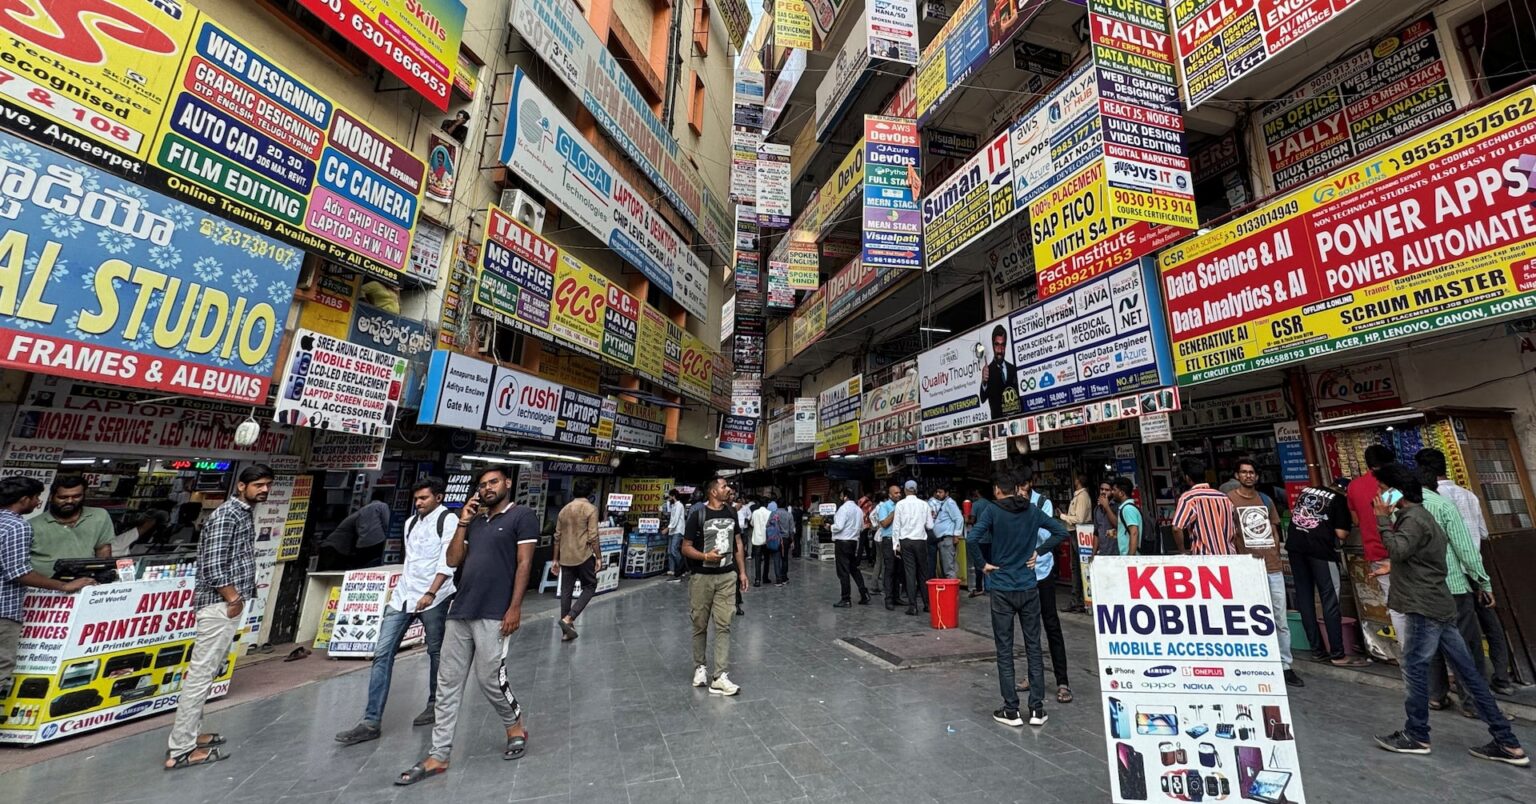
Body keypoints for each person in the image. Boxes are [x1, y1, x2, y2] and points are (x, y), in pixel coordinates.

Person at [1369, 463, 1528, 767]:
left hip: (1424, 606)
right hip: (1437, 604)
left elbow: (1399, 549)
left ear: (1396, 492)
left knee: (1415, 669)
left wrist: (1380, 521)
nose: (1378, 495)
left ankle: (1416, 734)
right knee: (1468, 671)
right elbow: (1416, 557)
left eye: (1381, 488)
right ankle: (1507, 741)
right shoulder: (1419, 516)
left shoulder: (1413, 519)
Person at [396, 466, 536, 786]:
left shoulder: (521, 516)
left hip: (495, 611)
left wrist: (514, 608)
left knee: (489, 678)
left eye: (493, 482)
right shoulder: (474, 523)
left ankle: (514, 724)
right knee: (447, 684)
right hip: (461, 610)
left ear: (507, 483)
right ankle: (439, 754)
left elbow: (525, 563)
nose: (488, 488)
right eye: (483, 485)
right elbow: (454, 559)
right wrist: (463, 522)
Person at [164, 465, 273, 770]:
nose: (263, 490)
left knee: (207, 672)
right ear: (241, 486)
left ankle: (191, 735)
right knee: (200, 675)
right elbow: (213, 564)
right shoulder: (227, 515)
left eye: (267, 485)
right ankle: (181, 749)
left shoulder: (241, 514)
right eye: (258, 485)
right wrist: (233, 598)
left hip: (224, 604)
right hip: (219, 604)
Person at [335, 478, 457, 746]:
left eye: (424, 498)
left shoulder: (448, 520)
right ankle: (370, 720)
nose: (419, 503)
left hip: (435, 597)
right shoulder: (410, 523)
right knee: (382, 653)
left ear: (438, 497)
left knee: (436, 651)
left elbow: (448, 561)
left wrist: (431, 593)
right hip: (404, 596)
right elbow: (410, 559)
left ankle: (435, 703)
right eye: (416, 499)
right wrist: (402, 593)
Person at [972, 472, 1069, 729]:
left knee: (1004, 649)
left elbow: (972, 538)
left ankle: (1011, 709)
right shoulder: (1033, 511)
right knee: (1033, 647)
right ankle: (1037, 708)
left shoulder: (992, 512)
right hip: (1028, 586)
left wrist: (983, 564)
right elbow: (1060, 531)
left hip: (1002, 587)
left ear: (996, 490)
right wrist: (1039, 552)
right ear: (1017, 489)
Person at [1409, 457, 1499, 718]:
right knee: (1466, 644)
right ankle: (1472, 701)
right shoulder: (1448, 505)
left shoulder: (1405, 509)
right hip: (1454, 584)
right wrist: (1483, 581)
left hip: (1424, 587)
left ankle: (1436, 695)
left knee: (1430, 644)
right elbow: (1468, 548)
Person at [1419, 449, 1514, 695]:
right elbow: (1482, 533)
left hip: (1449, 577)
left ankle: (1452, 691)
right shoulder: (1468, 496)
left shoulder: (1427, 502)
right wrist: (1483, 580)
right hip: (1474, 569)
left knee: (1453, 635)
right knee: (1489, 625)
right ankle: (1501, 678)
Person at [1, 477, 94, 721]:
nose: (38, 502)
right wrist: (64, 586)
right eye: (35, 498)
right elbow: (18, 572)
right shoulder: (16, 526)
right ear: (24, 500)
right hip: (3, 611)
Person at [1227, 458, 1300, 687]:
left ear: (1257, 476)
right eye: (1244, 472)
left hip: (1271, 566)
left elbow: (1274, 528)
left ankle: (1285, 664)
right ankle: (1259, 664)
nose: (1248, 476)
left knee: (1279, 617)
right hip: (1246, 566)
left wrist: (1275, 552)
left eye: (1252, 472)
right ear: (1237, 476)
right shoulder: (1229, 501)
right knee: (1250, 617)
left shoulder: (1266, 500)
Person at [1286, 481, 1366, 667]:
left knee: (1305, 599)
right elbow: (1341, 533)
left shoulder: (1306, 492)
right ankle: (1338, 654)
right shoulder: (1338, 500)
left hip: (1295, 548)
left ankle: (1317, 650)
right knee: (1330, 599)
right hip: (1320, 552)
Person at [682, 477, 748, 696]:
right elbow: (685, 547)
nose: (728, 489)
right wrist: (704, 556)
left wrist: (742, 572)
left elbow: (737, 542)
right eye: (723, 486)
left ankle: (720, 676)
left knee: (724, 624)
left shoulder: (731, 512)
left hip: (726, 576)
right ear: (712, 492)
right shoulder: (697, 515)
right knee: (700, 624)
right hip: (702, 578)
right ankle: (700, 667)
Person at [1017, 472, 1070, 704]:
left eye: (1022, 486)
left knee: (1051, 624)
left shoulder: (1042, 503)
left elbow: (1048, 534)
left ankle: (1062, 681)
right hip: (1023, 573)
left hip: (1043, 570)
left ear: (1029, 485)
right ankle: (1033, 676)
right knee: (1029, 627)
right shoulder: (1011, 505)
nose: (1019, 492)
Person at [1348, 444, 1402, 641]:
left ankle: (1406, 651)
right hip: (1402, 551)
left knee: (1395, 605)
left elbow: (1355, 520)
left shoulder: (1354, 486)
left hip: (1376, 552)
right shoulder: (1394, 484)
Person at [28, 475, 113, 574]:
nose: (70, 501)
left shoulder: (99, 516)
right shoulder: (31, 525)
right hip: (44, 584)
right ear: (51, 497)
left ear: (84, 495)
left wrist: (102, 577)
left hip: (85, 581)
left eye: (76, 496)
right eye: (63, 497)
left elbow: (103, 549)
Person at [553, 479, 601, 642]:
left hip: (566, 556)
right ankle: (569, 618)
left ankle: (567, 632)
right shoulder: (590, 509)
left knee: (566, 592)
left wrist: (555, 559)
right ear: (590, 494)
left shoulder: (564, 510)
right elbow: (593, 536)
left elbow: (557, 537)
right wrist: (599, 557)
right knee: (590, 586)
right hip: (583, 555)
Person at [1170, 458, 1237, 556]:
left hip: (1204, 558)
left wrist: (1182, 551)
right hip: (1229, 557)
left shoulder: (1189, 498)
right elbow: (1235, 528)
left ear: (1187, 477)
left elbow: (1176, 528)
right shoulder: (1224, 497)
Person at [320, 489, 392, 570]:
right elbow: (387, 523)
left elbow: (358, 527)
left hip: (361, 544)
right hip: (377, 541)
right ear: (383, 498)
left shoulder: (362, 509)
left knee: (362, 568)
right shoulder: (382, 505)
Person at [892, 480, 932, 616]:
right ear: (916, 490)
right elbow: (930, 526)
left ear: (905, 490)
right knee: (923, 573)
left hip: (905, 541)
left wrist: (895, 545)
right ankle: (927, 604)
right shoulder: (924, 505)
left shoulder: (900, 505)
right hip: (920, 541)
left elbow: (896, 526)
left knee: (910, 573)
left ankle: (913, 606)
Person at [1058, 473, 1093, 612]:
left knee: (1079, 567)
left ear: (1078, 481)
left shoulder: (1083, 497)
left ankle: (1080, 600)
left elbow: (1079, 518)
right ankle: (1077, 600)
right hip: (1075, 533)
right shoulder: (1078, 496)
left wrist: (1063, 516)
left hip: (1079, 533)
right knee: (1076, 567)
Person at [830, 488, 870, 607]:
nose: (841, 497)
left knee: (843, 571)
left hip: (842, 542)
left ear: (845, 496)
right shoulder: (858, 510)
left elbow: (839, 526)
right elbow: (862, 526)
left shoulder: (843, 509)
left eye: (841, 495)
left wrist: (830, 527)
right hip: (853, 542)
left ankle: (846, 598)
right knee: (853, 568)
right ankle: (864, 593)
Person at [978, 324, 1019, 420]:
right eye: (997, 345)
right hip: (998, 426)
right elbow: (983, 398)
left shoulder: (1013, 369)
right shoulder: (988, 371)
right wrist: (984, 381)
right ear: (993, 345)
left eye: (1003, 345)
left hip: (1016, 422)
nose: (1000, 350)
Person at [874, 484, 902, 609]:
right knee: (889, 569)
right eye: (896, 493)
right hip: (889, 540)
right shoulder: (884, 507)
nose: (899, 495)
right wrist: (894, 513)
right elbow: (884, 523)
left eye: (899, 492)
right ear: (890, 495)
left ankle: (897, 597)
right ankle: (889, 599)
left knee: (898, 570)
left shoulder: (902, 505)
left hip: (900, 541)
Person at [966, 487, 995, 597]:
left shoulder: (976, 504)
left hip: (980, 538)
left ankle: (979, 588)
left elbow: (972, 520)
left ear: (977, 493)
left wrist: (966, 518)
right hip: (990, 538)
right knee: (989, 562)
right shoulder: (991, 504)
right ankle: (989, 587)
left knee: (979, 563)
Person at [930, 485, 963, 579]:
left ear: (947, 493)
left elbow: (959, 518)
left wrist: (956, 535)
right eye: (937, 492)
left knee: (948, 569)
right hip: (942, 540)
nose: (938, 494)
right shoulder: (943, 503)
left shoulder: (950, 503)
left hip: (947, 539)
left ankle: (953, 593)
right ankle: (948, 592)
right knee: (945, 569)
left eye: (940, 492)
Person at [1106, 477, 1141, 557]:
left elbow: (1134, 533)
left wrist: (1130, 558)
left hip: (1131, 558)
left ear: (1121, 493)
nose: (1112, 492)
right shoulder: (1125, 508)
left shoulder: (1128, 509)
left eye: (1114, 490)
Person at [665, 489, 688, 582]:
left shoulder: (679, 505)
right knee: (670, 551)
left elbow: (676, 519)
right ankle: (672, 570)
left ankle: (681, 568)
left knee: (674, 550)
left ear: (673, 496)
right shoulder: (673, 505)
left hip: (677, 530)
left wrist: (668, 528)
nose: (669, 498)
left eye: (670, 496)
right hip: (672, 531)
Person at [749, 498, 772, 587]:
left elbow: (752, 523)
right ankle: (765, 577)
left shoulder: (755, 512)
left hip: (757, 540)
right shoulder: (769, 513)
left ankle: (757, 580)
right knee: (767, 559)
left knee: (757, 560)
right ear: (767, 504)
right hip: (767, 539)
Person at [770, 502, 794, 585]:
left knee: (776, 559)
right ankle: (784, 578)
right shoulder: (789, 515)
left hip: (776, 539)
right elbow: (791, 529)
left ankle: (778, 580)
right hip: (786, 539)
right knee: (785, 558)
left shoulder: (774, 513)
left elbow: (768, 525)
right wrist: (792, 540)